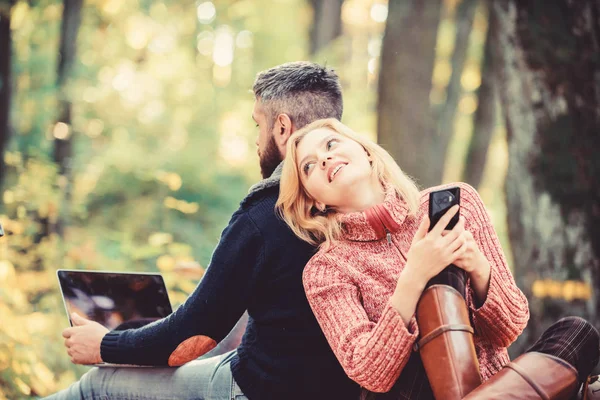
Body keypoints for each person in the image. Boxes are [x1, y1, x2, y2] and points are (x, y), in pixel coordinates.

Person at [45, 62, 359, 400]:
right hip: (323, 385)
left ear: (282, 128)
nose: (256, 140)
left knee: (98, 385)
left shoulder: (268, 213)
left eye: (259, 124)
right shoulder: (359, 201)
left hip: (258, 389)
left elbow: (191, 338)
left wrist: (104, 345)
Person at [276, 118, 600, 399]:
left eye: (332, 143)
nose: (325, 158)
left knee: (578, 333)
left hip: (495, 383)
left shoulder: (459, 205)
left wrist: (476, 264)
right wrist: (414, 276)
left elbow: (510, 327)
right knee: (433, 309)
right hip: (412, 392)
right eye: (308, 165)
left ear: (367, 152)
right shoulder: (325, 270)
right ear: (313, 202)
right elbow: (370, 372)